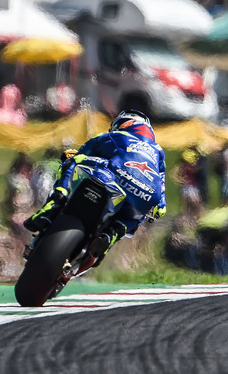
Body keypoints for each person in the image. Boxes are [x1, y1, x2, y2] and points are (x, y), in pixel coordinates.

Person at [23, 109, 167, 266]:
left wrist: (70, 157)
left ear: (124, 123)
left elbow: (83, 152)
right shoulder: (158, 152)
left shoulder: (114, 136)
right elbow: (161, 186)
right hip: (147, 192)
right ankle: (110, 235)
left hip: (116, 173)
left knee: (73, 161)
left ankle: (55, 203)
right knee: (137, 215)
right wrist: (160, 206)